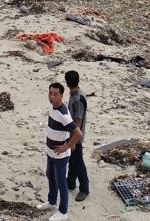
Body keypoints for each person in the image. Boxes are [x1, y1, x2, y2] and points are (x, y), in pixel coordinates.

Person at [36, 82, 82, 221]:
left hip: (60, 155)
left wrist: (66, 146)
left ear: (61, 95)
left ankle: (63, 211)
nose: (52, 97)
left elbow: (78, 133)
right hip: (50, 151)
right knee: (50, 175)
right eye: (50, 93)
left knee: (62, 182)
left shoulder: (63, 114)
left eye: (55, 94)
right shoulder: (53, 108)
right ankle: (51, 202)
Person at [64, 70, 89, 201]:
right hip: (73, 134)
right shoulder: (76, 94)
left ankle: (84, 189)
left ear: (67, 83)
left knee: (78, 162)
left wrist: (73, 141)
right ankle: (71, 183)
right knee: (72, 159)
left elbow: (78, 122)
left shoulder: (77, 99)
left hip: (76, 136)